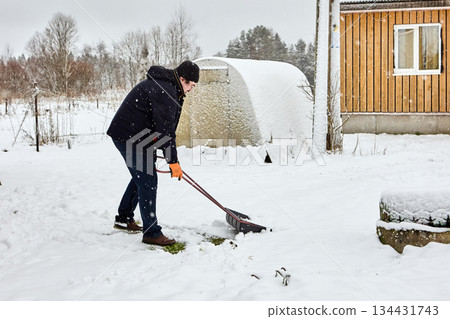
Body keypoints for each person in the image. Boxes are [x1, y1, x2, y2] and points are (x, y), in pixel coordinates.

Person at [107, 61, 199, 246]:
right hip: (128, 136)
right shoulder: (165, 90)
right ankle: (151, 232)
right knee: (148, 180)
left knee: (141, 177)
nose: (191, 90)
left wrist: (165, 153)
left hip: (136, 135)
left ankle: (124, 217)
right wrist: (173, 161)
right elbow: (166, 130)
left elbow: (162, 126)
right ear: (182, 79)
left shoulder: (170, 87)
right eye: (191, 85)